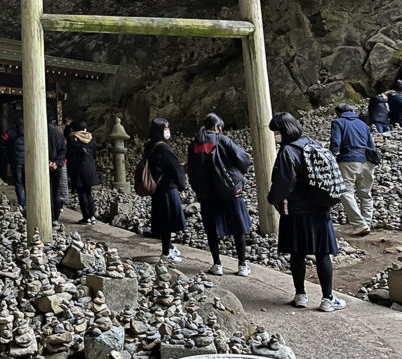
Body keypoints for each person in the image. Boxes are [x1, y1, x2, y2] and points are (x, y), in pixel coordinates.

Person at [268, 112, 346, 312]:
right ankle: (328, 299)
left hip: (294, 211)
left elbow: (283, 183)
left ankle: (300, 295)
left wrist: (272, 199)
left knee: (297, 253)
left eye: (275, 131)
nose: (275, 135)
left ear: (283, 131)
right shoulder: (311, 144)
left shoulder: (287, 151)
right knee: (322, 254)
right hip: (319, 208)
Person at [187, 113, 253, 277]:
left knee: (212, 230)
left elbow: (191, 171)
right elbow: (244, 159)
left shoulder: (194, 144)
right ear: (217, 127)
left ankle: (217, 264)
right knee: (238, 229)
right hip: (228, 192)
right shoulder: (222, 140)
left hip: (207, 196)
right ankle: (242, 265)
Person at [330, 103, 377, 236]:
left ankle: (359, 224)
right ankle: (366, 223)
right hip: (367, 161)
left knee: (346, 192)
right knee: (366, 194)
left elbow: (335, 142)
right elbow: (371, 145)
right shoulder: (363, 124)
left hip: (348, 160)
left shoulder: (338, 122)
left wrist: (331, 156)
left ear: (338, 113)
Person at [145, 118, 187, 263]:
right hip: (167, 188)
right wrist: (182, 185)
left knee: (163, 218)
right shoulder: (163, 147)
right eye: (165, 128)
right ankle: (165, 252)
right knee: (168, 220)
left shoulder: (150, 146)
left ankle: (169, 246)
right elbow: (175, 167)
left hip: (157, 188)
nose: (168, 131)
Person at [67, 120, 98, 225]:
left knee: (82, 193)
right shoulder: (91, 139)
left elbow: (70, 156)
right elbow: (94, 154)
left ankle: (86, 217)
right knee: (89, 193)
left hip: (78, 168)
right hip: (90, 167)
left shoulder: (72, 139)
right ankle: (92, 216)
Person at [2, 119, 25, 207]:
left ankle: (22, 204)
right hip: (27, 161)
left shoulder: (11, 132)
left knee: (18, 183)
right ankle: (30, 201)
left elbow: (2, 140)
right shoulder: (29, 132)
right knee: (27, 182)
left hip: (16, 160)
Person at [48, 121, 67, 223]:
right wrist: (56, 163)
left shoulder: (43, 133)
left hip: (45, 166)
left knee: (46, 192)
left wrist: (48, 162)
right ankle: (55, 217)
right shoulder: (59, 135)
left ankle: (48, 215)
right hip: (56, 167)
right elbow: (63, 151)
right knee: (56, 192)